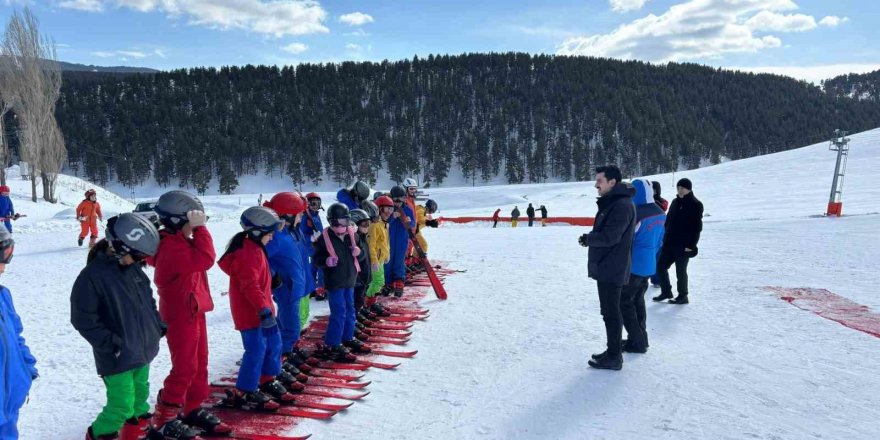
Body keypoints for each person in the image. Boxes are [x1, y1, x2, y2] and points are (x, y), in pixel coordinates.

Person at [71, 213, 170, 440]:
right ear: (118, 247)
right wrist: (110, 343)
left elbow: (148, 300)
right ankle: (98, 435)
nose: (137, 261)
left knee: (140, 397)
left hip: (141, 350)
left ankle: (136, 433)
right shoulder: (91, 277)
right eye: (135, 256)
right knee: (121, 406)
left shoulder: (132, 270)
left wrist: (156, 324)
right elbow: (83, 319)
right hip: (116, 356)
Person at [149, 191, 231, 437]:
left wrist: (195, 230)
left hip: (195, 310)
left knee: (200, 364)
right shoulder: (170, 246)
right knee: (184, 367)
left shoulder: (181, 241)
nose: (194, 228)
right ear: (176, 222)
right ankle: (165, 416)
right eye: (190, 223)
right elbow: (206, 258)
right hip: (180, 314)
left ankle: (191, 407)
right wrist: (202, 230)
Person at [217, 207, 295, 412]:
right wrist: (264, 311)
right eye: (270, 234)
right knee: (256, 350)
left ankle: (267, 379)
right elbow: (249, 286)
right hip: (251, 313)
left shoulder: (255, 247)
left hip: (264, 309)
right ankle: (246, 389)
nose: (271, 238)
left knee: (274, 345)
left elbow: (259, 277)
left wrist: (271, 280)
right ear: (258, 232)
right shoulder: (246, 253)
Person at [577, 166, 635, 371]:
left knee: (611, 312)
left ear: (613, 182)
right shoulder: (614, 203)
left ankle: (614, 356)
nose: (596, 185)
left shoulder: (621, 206)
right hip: (609, 266)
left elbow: (611, 236)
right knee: (609, 311)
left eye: (599, 181)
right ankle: (613, 350)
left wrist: (588, 239)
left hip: (613, 267)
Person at [617, 179, 665, 354]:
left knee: (624, 302)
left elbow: (626, 241)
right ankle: (640, 338)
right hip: (650, 263)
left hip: (634, 264)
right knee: (637, 300)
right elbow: (661, 240)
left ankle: (637, 341)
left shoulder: (636, 212)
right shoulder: (660, 211)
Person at [0, 227, 38, 439]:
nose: (4, 268)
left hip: (10, 402)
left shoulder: (3, 296)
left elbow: (16, 335)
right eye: (1, 259)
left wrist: (27, 366)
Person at [262, 193, 309, 360]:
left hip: (297, 286)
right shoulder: (276, 237)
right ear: (288, 215)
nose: (302, 216)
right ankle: (283, 356)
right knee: (291, 327)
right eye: (300, 214)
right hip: (287, 288)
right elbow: (261, 260)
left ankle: (282, 351)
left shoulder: (294, 232)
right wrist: (274, 278)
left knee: (285, 324)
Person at [312, 203, 361, 362]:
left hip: (350, 279)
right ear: (331, 222)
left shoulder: (353, 235)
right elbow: (316, 259)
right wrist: (326, 261)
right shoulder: (323, 237)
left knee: (350, 309)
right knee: (339, 312)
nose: (341, 226)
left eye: (344, 222)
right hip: (335, 282)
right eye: (336, 223)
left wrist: (359, 253)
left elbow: (361, 254)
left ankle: (347, 337)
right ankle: (333, 343)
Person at [653, 178, 703, 305]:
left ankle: (683, 296)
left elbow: (697, 227)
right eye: (678, 188)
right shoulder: (675, 202)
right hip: (669, 243)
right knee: (660, 267)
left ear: (689, 189)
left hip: (684, 245)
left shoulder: (695, 204)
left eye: (682, 188)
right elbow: (668, 221)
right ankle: (666, 292)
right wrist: (664, 238)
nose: (680, 190)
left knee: (680, 271)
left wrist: (691, 245)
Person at [350, 208, 373, 354]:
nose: (367, 226)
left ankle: (355, 321)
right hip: (356, 279)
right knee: (353, 303)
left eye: (368, 223)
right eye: (363, 224)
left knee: (358, 302)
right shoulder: (353, 239)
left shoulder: (363, 238)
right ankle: (351, 327)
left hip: (363, 277)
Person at [385, 186, 415, 297]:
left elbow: (412, 224)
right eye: (395, 200)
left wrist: (409, 222)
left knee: (399, 261)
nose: (397, 203)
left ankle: (399, 282)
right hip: (389, 240)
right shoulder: (389, 209)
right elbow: (384, 222)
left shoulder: (408, 210)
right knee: (388, 262)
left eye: (400, 200)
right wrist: (392, 216)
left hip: (402, 240)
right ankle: (388, 283)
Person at [365, 196, 392, 313]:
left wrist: (387, 254)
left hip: (381, 258)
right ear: (379, 209)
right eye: (386, 209)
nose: (389, 213)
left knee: (377, 281)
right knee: (378, 282)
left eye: (391, 209)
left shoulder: (385, 224)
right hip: (374, 260)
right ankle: (368, 302)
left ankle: (371, 301)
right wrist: (374, 260)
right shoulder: (374, 225)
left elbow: (385, 242)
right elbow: (371, 245)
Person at [300, 192, 325, 301]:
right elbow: (300, 234)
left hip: (318, 247)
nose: (315, 206)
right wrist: (310, 238)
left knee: (319, 268)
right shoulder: (305, 217)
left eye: (317, 203)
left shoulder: (315, 215)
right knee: (313, 269)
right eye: (313, 203)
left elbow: (319, 229)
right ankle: (315, 290)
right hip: (309, 248)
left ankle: (318, 289)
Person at [650, 181, 669, 288]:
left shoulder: (661, 201)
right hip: (649, 231)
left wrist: (653, 202)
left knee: (658, 257)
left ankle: (657, 280)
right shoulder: (646, 201)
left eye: (653, 189)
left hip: (660, 232)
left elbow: (663, 207)